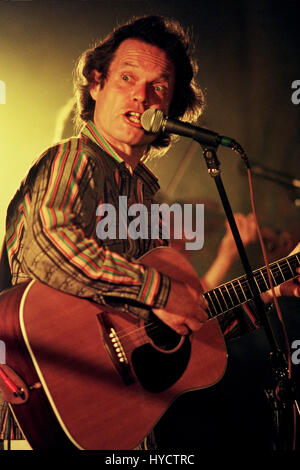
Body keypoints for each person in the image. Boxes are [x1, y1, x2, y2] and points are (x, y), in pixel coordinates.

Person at [0, 15, 299, 450]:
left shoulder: (143, 194)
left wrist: (268, 290)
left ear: (170, 109)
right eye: (126, 77)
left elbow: (177, 327)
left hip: (115, 422)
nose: (141, 95)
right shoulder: (75, 159)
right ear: (96, 84)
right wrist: (160, 291)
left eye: (158, 87)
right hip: (43, 409)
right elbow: (50, 244)